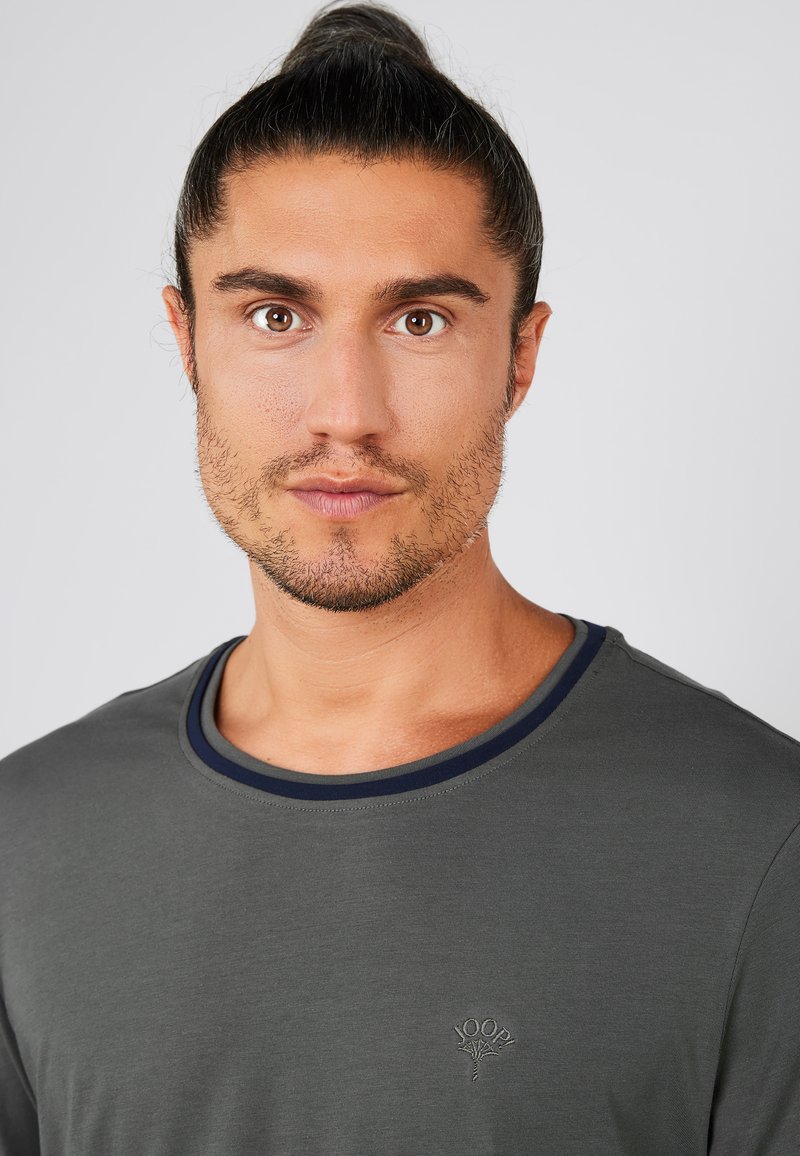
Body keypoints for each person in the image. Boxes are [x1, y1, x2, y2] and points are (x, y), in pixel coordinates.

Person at [1, 3, 798, 1153]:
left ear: (519, 355)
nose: (345, 412)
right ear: (185, 341)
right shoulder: (26, 847)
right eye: (274, 314)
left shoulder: (759, 843)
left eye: (418, 320)